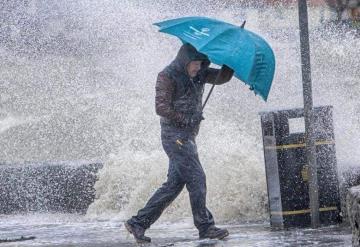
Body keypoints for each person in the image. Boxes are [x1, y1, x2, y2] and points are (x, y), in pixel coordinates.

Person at [125, 43, 234, 243]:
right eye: (195, 63)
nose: (198, 68)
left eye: (202, 63)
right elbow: (161, 108)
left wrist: (230, 62)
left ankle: (138, 223)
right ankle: (206, 227)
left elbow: (222, 78)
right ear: (185, 60)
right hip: (173, 136)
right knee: (197, 178)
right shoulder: (167, 75)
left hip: (188, 136)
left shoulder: (200, 73)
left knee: (173, 185)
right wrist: (185, 119)